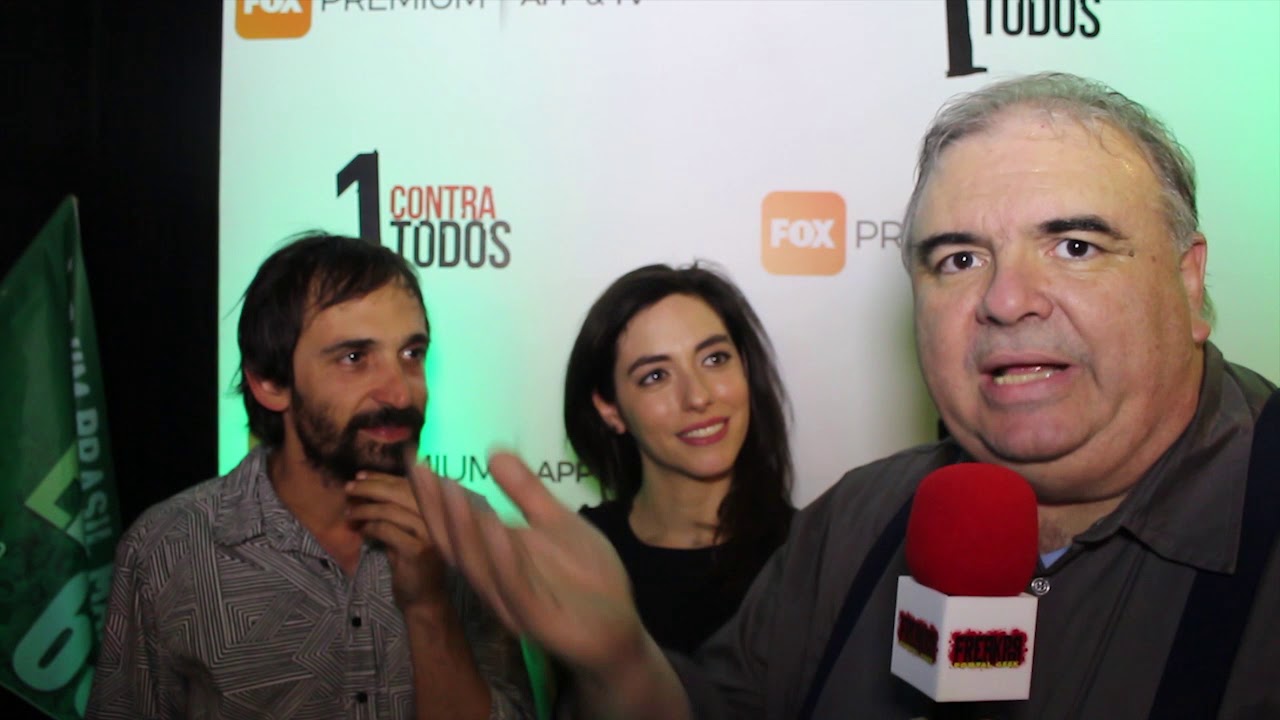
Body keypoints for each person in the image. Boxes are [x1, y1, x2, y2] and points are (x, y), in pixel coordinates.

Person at [407, 72, 1280, 719]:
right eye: (959, 259)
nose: (1007, 300)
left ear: (1189, 281)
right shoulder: (861, 521)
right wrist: (623, 665)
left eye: (1075, 247)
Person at [87, 233, 533, 719]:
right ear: (270, 382)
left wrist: (429, 606)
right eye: (354, 358)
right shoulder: (171, 548)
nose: (400, 394)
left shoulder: (466, 527)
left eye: (411, 354)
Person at [564, 264, 795, 655]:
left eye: (715, 359)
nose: (698, 397)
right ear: (609, 409)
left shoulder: (810, 554)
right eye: (656, 376)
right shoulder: (577, 556)